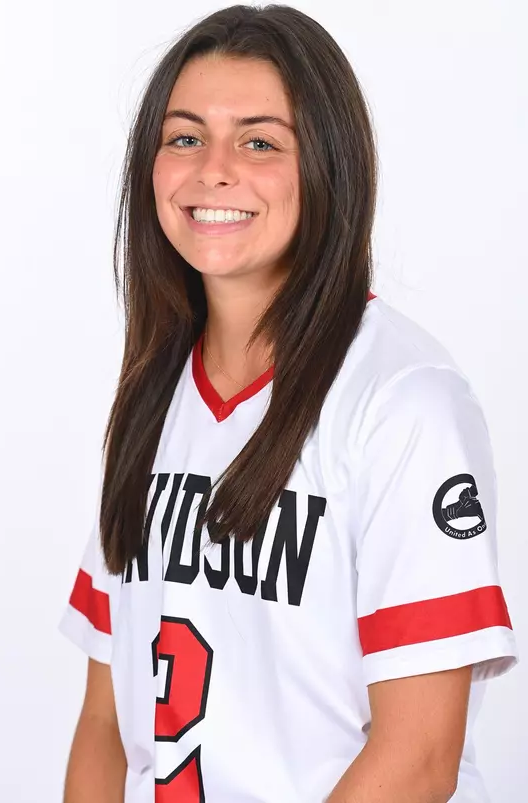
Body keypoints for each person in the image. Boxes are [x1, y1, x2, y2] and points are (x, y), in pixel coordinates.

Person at [58, 5, 519, 802]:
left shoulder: (404, 401)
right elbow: (104, 720)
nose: (213, 170)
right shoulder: (153, 395)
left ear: (328, 167)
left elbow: (418, 756)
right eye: (184, 137)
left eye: (260, 142)